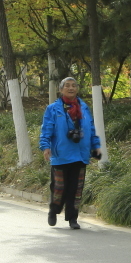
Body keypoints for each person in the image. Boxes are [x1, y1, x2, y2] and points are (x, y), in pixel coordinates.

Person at [39, 76, 102, 229]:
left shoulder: (84, 107)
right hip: (61, 154)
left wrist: (96, 145)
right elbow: (46, 129)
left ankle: (72, 219)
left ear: (77, 89)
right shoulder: (53, 109)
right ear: (61, 90)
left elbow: (91, 129)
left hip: (80, 154)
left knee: (76, 188)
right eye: (67, 85)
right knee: (59, 188)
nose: (71, 88)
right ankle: (53, 211)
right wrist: (45, 146)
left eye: (74, 85)